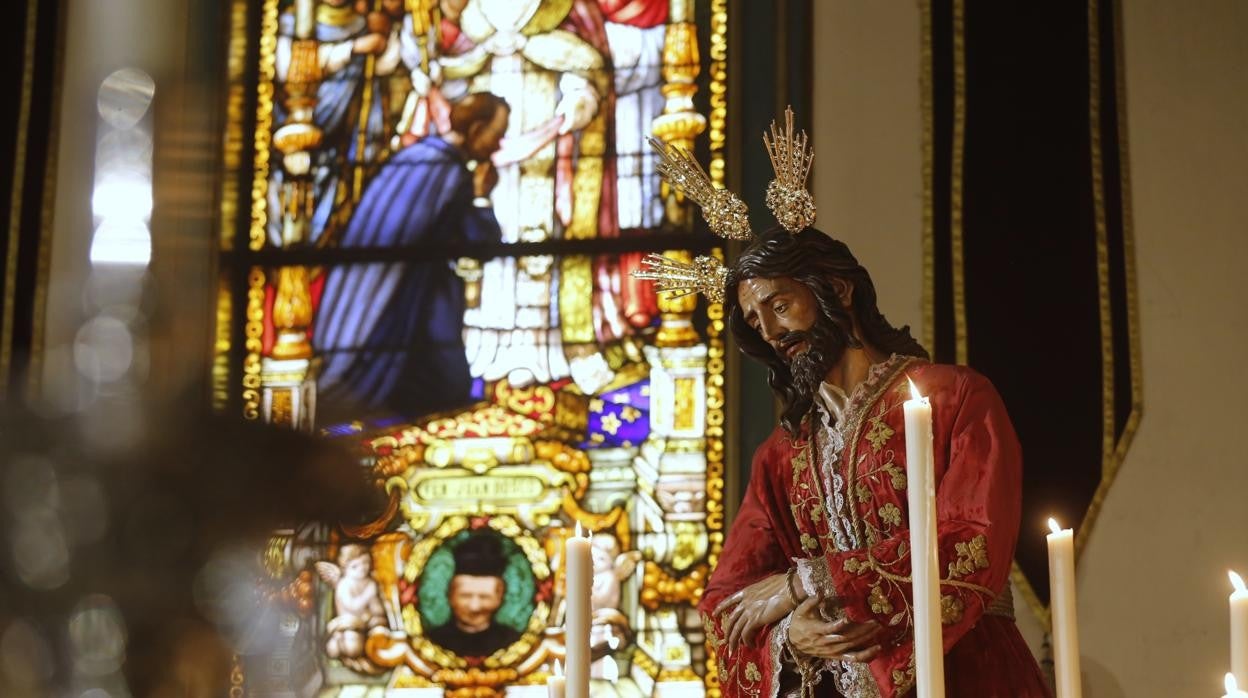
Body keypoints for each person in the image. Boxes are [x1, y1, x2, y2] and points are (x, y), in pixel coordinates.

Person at [637, 111, 1050, 697]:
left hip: (967, 671)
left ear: (837, 290)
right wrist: (789, 635)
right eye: (756, 321)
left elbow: (970, 542)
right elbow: (727, 598)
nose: (773, 332)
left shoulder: (956, 397)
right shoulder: (783, 454)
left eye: (780, 305)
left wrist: (810, 579)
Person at [313, 92, 510, 423]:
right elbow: (478, 243)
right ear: (476, 130)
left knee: (433, 384)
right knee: (444, 385)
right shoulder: (450, 172)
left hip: (392, 292)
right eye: (497, 134)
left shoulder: (415, 158)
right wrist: (480, 198)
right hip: (410, 303)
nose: (499, 144)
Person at [427, 531, 521, 657]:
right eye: (465, 596)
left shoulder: (513, 641)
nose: (474, 607)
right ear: (450, 595)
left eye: (485, 597)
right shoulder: (432, 640)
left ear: (500, 597)